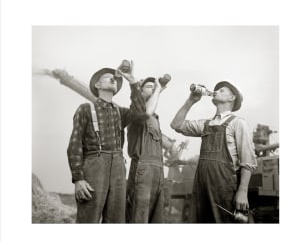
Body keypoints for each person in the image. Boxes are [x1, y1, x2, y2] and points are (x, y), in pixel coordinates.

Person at [170, 81, 257, 223]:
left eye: (222, 90)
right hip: (201, 188)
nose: (216, 91)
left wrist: (242, 192)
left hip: (224, 189)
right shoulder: (205, 124)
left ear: (232, 98)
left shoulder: (238, 123)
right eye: (217, 90)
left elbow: (248, 162)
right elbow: (176, 125)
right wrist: (191, 101)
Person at [66, 63, 140, 223]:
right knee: (88, 219)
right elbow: (75, 144)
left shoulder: (121, 113)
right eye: (107, 77)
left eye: (114, 78)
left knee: (116, 220)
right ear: (97, 85)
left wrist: (132, 81)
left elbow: (140, 113)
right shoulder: (86, 109)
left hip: (119, 169)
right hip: (94, 166)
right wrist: (78, 179)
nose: (113, 78)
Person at [125, 76, 167, 223]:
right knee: (139, 217)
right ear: (140, 92)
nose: (153, 88)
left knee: (155, 218)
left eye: (153, 87)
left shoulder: (155, 118)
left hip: (157, 171)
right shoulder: (135, 113)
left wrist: (157, 90)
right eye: (149, 86)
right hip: (142, 169)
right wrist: (158, 90)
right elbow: (145, 113)